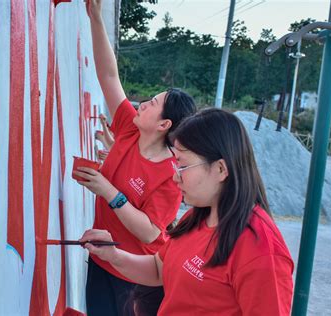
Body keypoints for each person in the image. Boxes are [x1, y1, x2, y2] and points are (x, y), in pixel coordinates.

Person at [80, 108, 295, 315]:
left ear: (220, 169)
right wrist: (113, 255)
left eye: (182, 166)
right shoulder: (198, 217)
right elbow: (158, 270)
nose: (175, 177)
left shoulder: (261, 250)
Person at [72, 1, 197, 315]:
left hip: (137, 276)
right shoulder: (129, 128)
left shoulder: (171, 175)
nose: (141, 104)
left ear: (164, 124)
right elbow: (109, 77)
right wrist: (95, 17)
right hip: (102, 258)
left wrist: (107, 190)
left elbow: (151, 232)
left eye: (152, 103)